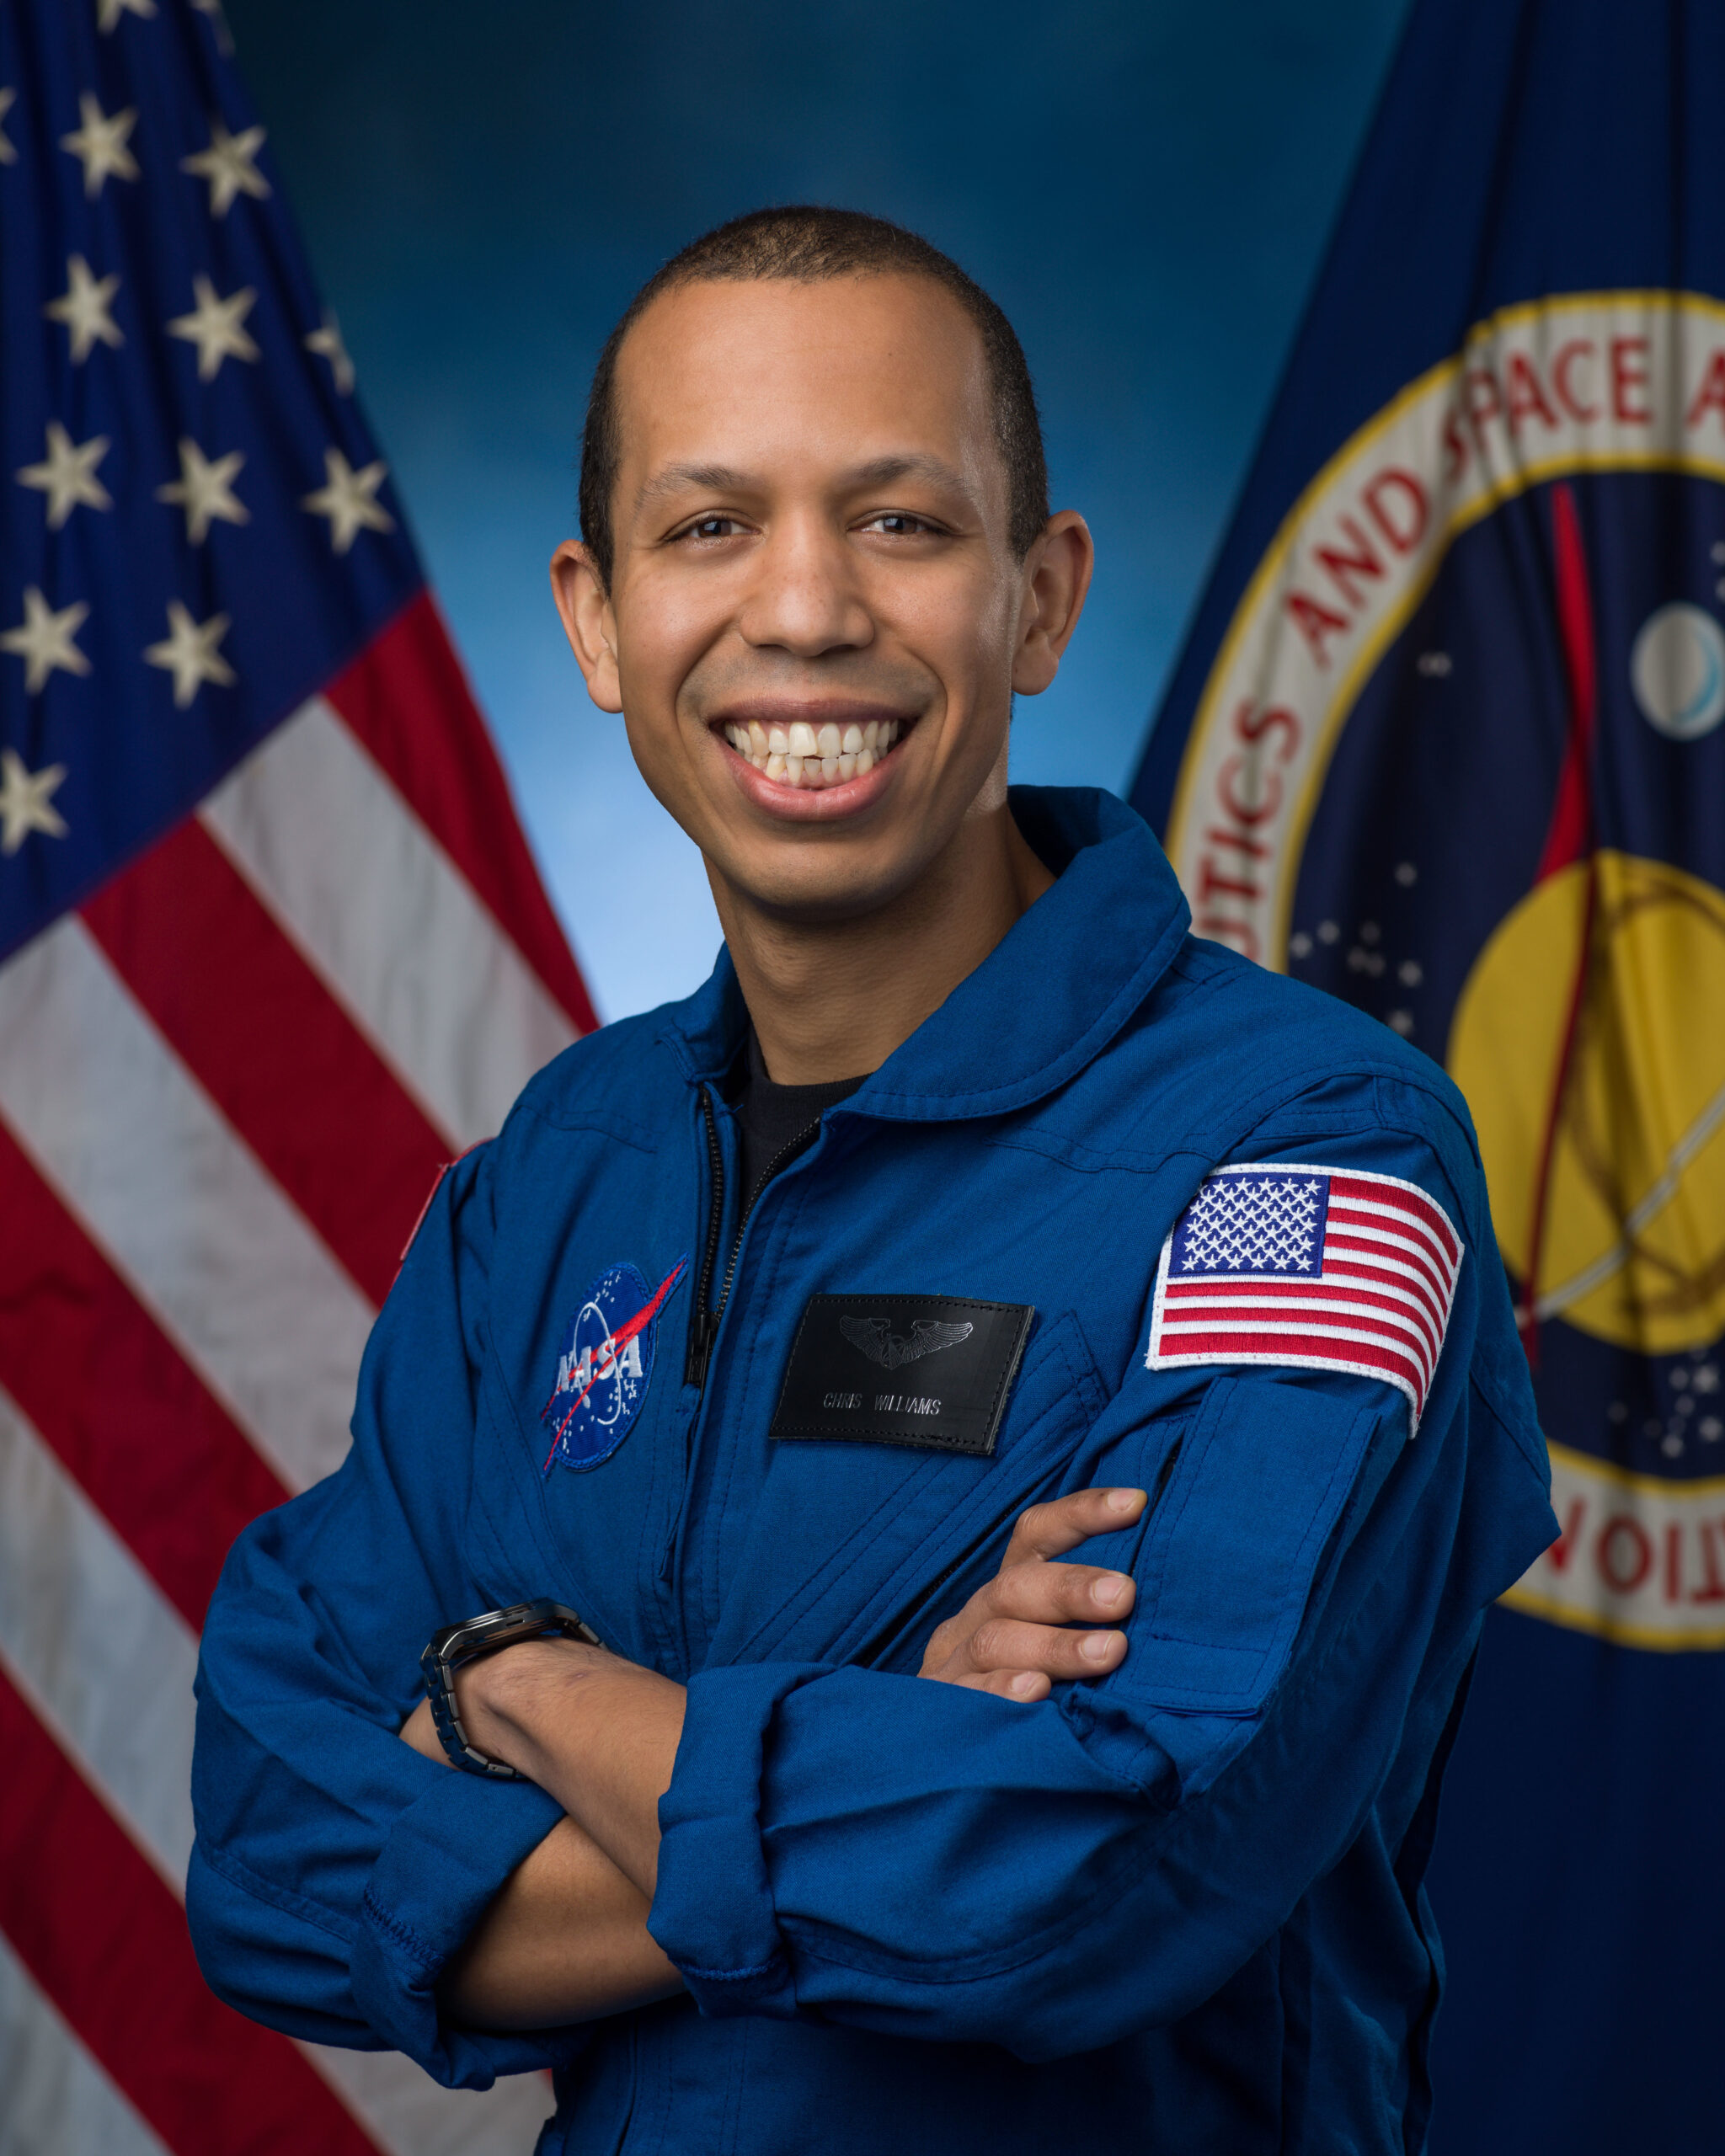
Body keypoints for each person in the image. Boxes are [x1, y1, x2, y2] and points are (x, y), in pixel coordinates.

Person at [189, 207, 1557, 2154]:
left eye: (902, 520)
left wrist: (521, 1686)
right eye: (708, 524)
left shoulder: (1305, 1155)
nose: (807, 609)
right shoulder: (549, 1186)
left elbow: (1089, 1873)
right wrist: (874, 1738)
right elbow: (266, 1850)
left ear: (1041, 596)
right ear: (595, 616)